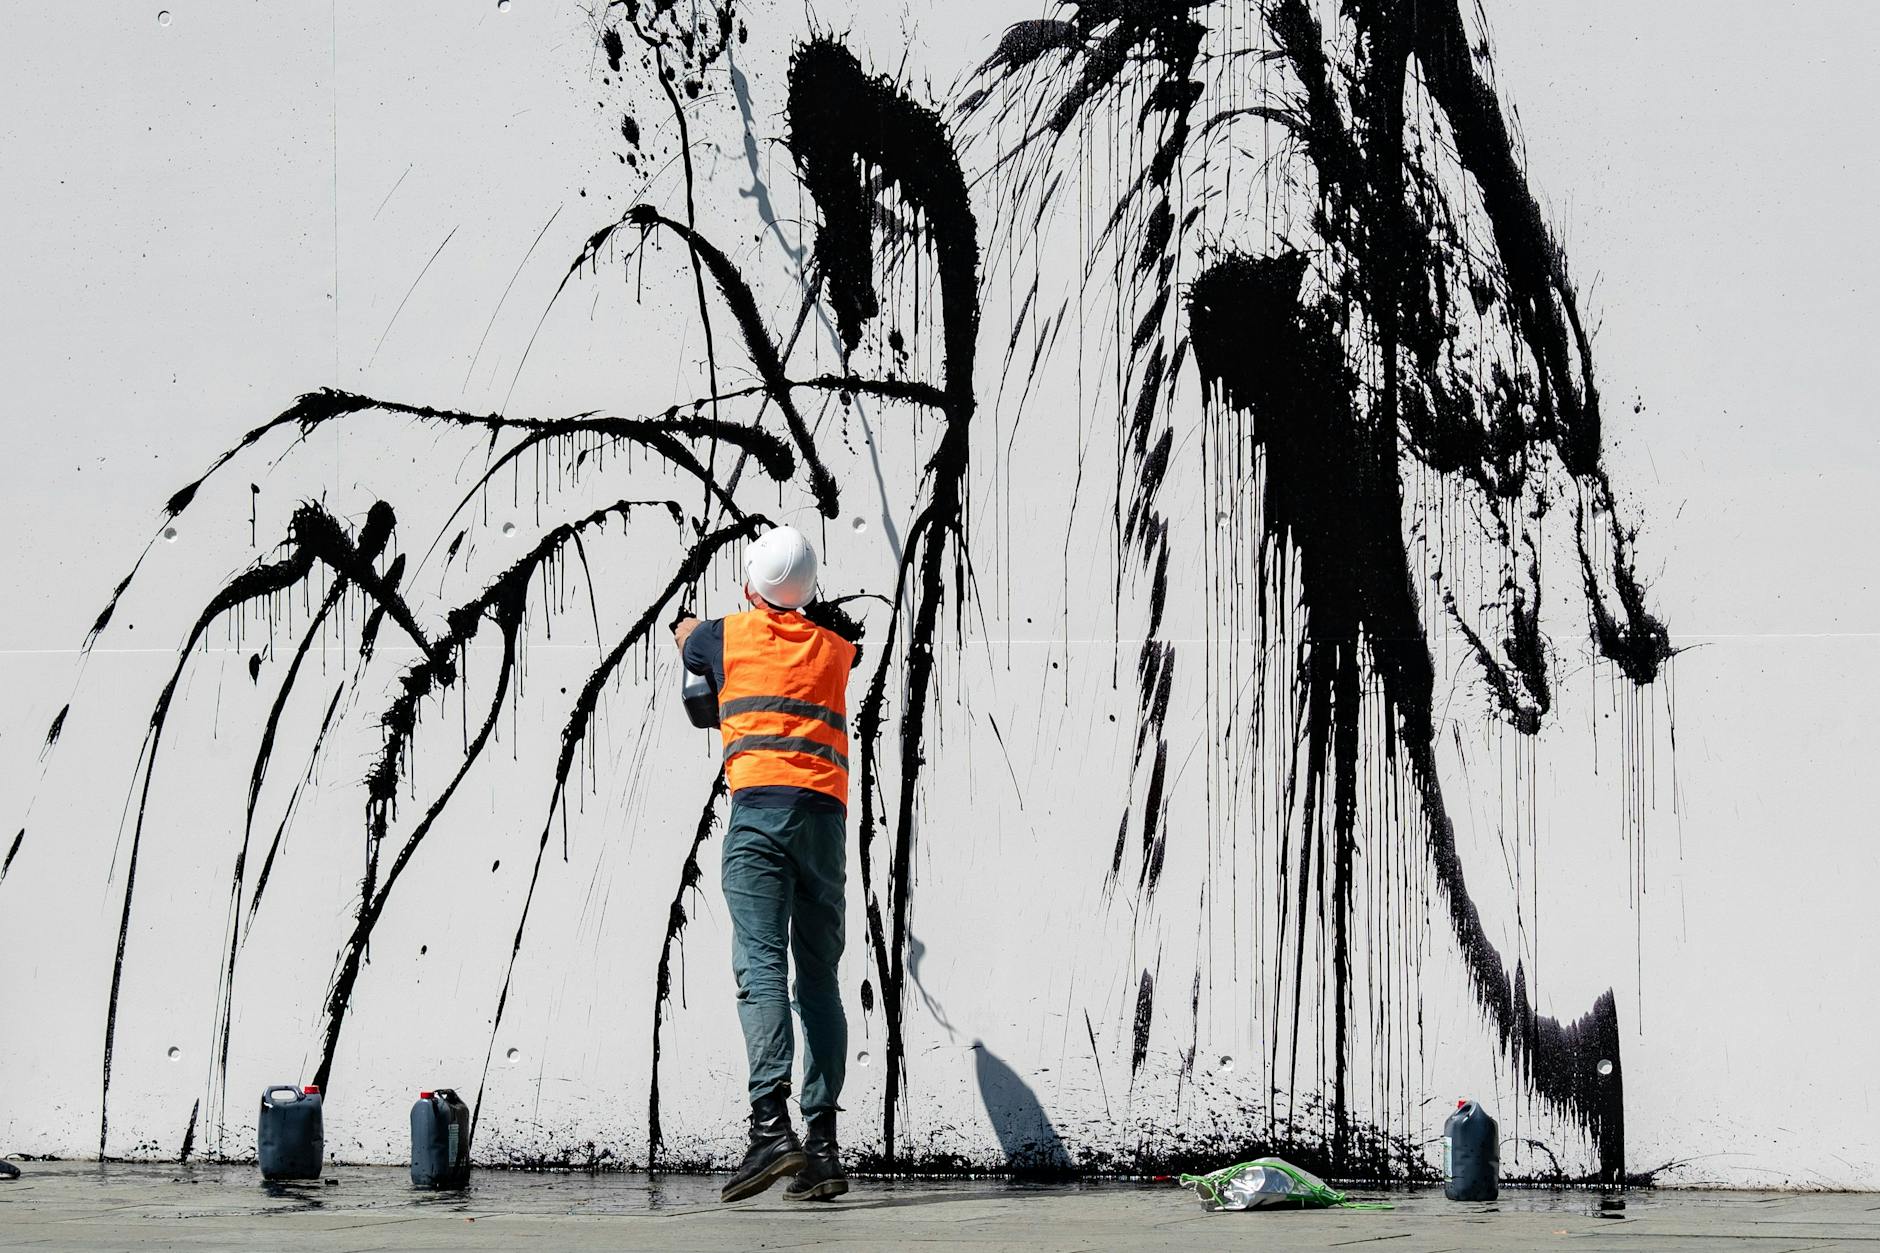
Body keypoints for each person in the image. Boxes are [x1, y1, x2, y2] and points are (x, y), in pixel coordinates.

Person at [672, 524, 856, 1203]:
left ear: (750, 582)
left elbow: (691, 642)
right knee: (820, 981)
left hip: (760, 819)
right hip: (825, 823)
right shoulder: (836, 650)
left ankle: (770, 1128)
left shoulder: (724, 636)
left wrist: (686, 626)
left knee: (761, 969)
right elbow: (802, 634)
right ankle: (823, 1148)